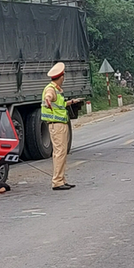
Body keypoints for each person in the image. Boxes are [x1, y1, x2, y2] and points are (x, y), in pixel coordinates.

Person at [41, 62, 83, 191]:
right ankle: (57, 181)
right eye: (63, 77)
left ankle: (61, 179)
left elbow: (58, 104)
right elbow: (48, 97)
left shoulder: (56, 90)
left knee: (62, 153)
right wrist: (47, 99)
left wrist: (71, 102)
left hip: (60, 125)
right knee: (59, 153)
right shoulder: (51, 89)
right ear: (61, 77)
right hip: (57, 125)